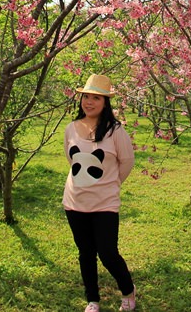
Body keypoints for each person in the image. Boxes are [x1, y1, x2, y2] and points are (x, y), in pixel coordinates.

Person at [63, 73, 137, 312]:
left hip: (105, 202)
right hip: (75, 202)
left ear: (105, 103)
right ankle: (92, 300)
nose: (89, 102)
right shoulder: (71, 128)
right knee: (85, 253)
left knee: (107, 252)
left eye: (96, 97)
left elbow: (127, 162)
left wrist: (110, 183)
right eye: (86, 96)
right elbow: (71, 160)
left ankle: (128, 291)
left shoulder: (115, 131)